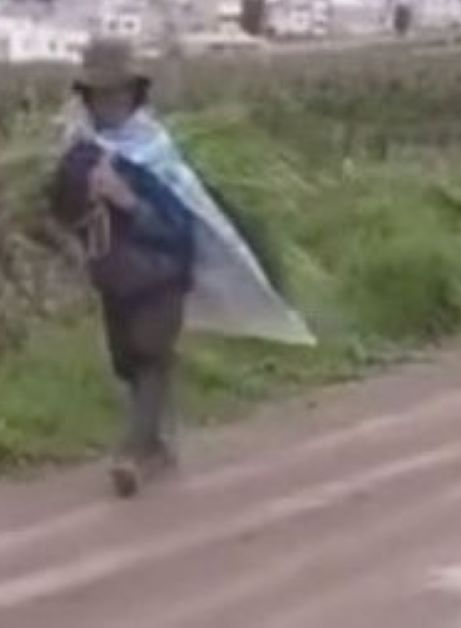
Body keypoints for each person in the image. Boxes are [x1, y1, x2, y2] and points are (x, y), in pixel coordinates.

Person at [50, 38, 315, 498]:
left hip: (162, 273)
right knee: (128, 362)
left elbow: (178, 223)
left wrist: (126, 200)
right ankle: (159, 443)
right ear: (88, 100)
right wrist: (82, 196)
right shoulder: (80, 154)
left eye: (119, 94)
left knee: (150, 352)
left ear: (134, 96)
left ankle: (133, 453)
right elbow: (60, 207)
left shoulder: (154, 151)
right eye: (101, 96)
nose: (111, 104)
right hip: (116, 281)